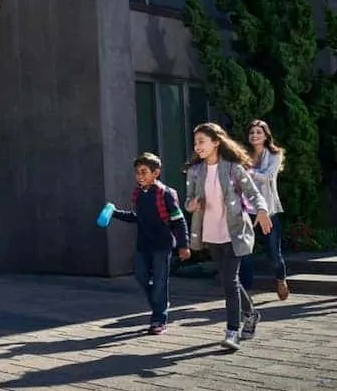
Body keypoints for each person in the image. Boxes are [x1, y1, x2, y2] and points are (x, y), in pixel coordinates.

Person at [184, 122, 272, 351]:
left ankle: (232, 331)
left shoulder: (232, 167)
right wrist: (192, 204)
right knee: (228, 280)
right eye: (195, 143)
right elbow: (188, 201)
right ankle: (251, 313)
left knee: (230, 282)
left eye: (202, 141)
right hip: (211, 234)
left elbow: (253, 193)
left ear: (216, 142)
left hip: (234, 232)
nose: (198, 146)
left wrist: (262, 210)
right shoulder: (195, 171)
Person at [110, 153, 190, 335]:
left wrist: (184, 245)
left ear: (156, 173)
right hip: (143, 244)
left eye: (144, 172)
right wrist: (115, 213)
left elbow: (179, 220)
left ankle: (158, 319)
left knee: (160, 282)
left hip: (163, 245)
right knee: (141, 277)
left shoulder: (165, 194)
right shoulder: (138, 194)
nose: (140, 176)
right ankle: (159, 303)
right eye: (137, 172)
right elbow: (136, 218)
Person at [238, 119, 289, 301]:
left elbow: (267, 177)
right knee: (245, 253)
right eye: (252, 133)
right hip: (247, 211)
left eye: (259, 132)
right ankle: (244, 293)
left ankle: (281, 279)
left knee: (273, 252)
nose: (254, 136)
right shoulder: (242, 156)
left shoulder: (275, 154)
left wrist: (247, 173)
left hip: (268, 210)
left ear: (266, 135)